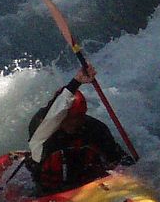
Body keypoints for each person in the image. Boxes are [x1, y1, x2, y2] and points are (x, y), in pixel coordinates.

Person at [24, 62, 135, 193]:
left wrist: (131, 172)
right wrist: (76, 81)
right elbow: (55, 110)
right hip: (49, 191)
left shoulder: (94, 128)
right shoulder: (42, 129)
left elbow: (117, 158)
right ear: (62, 117)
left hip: (89, 186)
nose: (75, 123)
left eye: (79, 117)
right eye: (71, 119)